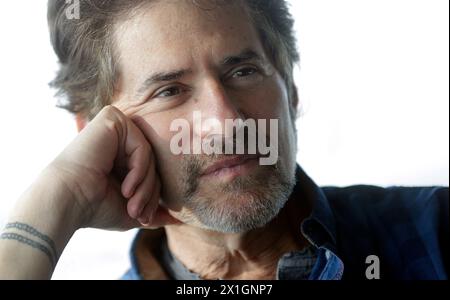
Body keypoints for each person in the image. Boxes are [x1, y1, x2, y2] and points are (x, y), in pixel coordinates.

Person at [0, 0, 447, 280]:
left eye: (243, 71)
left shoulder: (436, 234)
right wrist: (55, 202)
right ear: (98, 136)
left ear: (289, 89)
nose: (226, 122)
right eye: (169, 91)